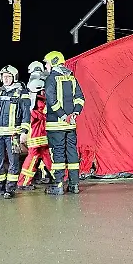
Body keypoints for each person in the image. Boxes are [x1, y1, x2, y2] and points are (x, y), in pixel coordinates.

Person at [0, 66, 31, 199]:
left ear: (14, 78)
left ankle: (10, 188)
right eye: (4, 76)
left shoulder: (21, 93)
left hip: (13, 135)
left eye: (8, 76)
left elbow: (26, 114)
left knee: (13, 161)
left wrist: (24, 132)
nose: (6, 79)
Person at [42, 51, 85, 195]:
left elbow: (51, 99)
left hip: (56, 124)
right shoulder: (71, 77)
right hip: (71, 125)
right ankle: (74, 185)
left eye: (47, 63)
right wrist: (75, 113)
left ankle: (58, 185)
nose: (46, 66)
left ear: (54, 62)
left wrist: (63, 116)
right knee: (72, 153)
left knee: (58, 153)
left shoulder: (51, 78)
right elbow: (80, 98)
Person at [18, 61, 54, 190]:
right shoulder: (42, 90)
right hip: (40, 131)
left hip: (37, 131)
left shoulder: (32, 90)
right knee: (40, 155)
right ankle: (23, 182)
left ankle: (59, 179)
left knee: (43, 155)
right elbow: (38, 112)